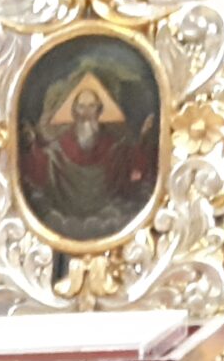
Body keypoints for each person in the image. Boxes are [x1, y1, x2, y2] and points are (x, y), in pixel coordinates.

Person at [19, 68, 159, 243]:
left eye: (92, 106)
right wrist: (30, 144)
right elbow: (37, 168)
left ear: (100, 110)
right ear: (74, 111)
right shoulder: (56, 151)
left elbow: (136, 165)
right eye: (81, 106)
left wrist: (145, 139)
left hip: (111, 220)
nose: (86, 113)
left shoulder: (115, 149)